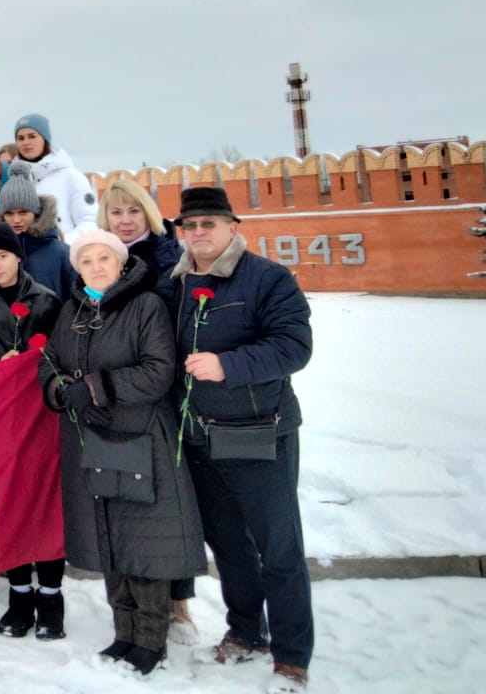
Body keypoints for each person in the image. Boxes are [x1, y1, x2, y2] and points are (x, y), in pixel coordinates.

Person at [38, 230, 206, 676]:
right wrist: (56, 388)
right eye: (87, 260)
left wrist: (92, 388)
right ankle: (123, 633)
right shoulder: (73, 310)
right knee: (107, 532)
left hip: (139, 436)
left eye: (104, 258)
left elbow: (157, 371)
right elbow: (50, 359)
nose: (95, 266)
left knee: (143, 541)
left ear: (121, 263)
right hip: (91, 440)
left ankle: (151, 639)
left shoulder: (145, 305)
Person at [169, 188, 313, 693]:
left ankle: (292, 657)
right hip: (200, 438)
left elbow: (293, 347)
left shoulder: (268, 279)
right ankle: (247, 633)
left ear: (233, 227)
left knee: (279, 550)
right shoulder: (179, 282)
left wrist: (227, 365)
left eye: (210, 223)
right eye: (191, 225)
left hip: (258, 436)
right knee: (229, 546)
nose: (199, 232)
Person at [0, 222, 65, 639]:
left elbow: (61, 356)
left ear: (18, 257)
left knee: (42, 503)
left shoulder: (45, 300)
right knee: (4, 503)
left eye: (2, 256)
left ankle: (52, 596)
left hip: (40, 415)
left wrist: (27, 361)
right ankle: (19, 594)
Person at [0, 161, 77, 300]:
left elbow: (77, 300)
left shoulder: (62, 253)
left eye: (23, 212)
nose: (16, 220)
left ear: (36, 212)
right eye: (9, 213)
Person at [12, 114, 97, 238]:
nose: (26, 142)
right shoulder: (14, 182)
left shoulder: (71, 177)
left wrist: (63, 245)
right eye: (20, 138)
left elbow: (90, 221)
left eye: (32, 136)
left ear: (45, 139)